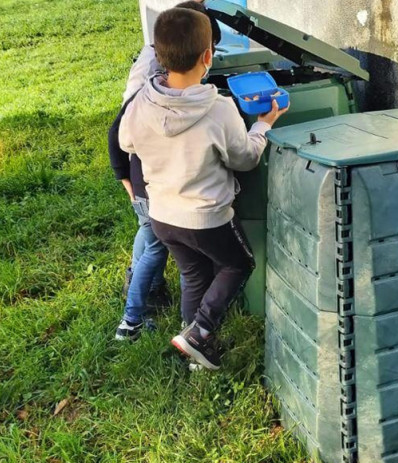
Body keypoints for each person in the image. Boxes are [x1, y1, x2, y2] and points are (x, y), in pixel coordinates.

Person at [119, 7, 288, 369]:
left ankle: (192, 348)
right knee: (239, 265)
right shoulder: (219, 109)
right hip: (207, 218)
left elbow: (127, 142)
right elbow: (245, 159)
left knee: (193, 274)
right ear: (208, 55)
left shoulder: (140, 104)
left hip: (163, 215)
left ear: (157, 53)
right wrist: (263, 126)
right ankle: (200, 331)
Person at [108, 1, 221, 341]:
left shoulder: (153, 77)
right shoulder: (153, 90)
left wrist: (125, 178)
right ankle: (131, 320)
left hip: (142, 183)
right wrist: (125, 179)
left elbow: (120, 132)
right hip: (151, 187)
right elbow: (117, 131)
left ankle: (151, 290)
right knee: (159, 247)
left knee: (150, 237)